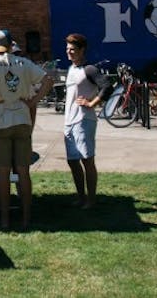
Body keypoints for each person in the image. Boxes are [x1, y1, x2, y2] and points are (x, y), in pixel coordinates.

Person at [0, 29, 50, 230]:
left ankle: (5, 220)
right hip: (22, 119)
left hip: (0, 121)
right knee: (23, 171)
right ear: (11, 44)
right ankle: (26, 218)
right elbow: (48, 80)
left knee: (3, 173)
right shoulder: (24, 63)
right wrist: (33, 101)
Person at [63, 33, 113, 209]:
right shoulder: (71, 69)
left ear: (82, 50)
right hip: (69, 122)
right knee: (72, 161)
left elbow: (107, 85)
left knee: (87, 160)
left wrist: (91, 103)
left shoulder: (89, 69)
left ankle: (91, 200)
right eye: (68, 49)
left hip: (84, 120)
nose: (69, 52)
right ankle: (81, 197)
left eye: (73, 50)